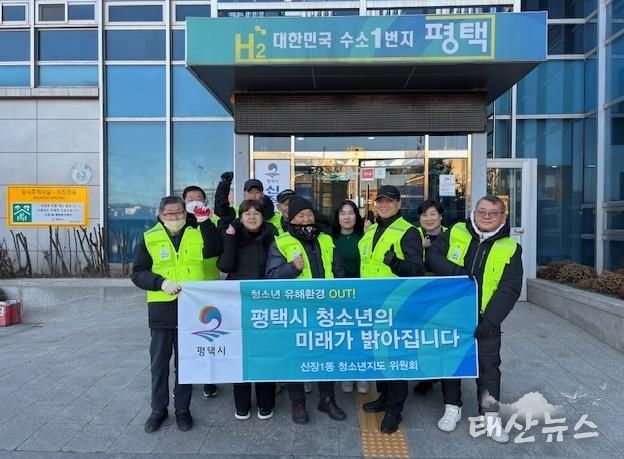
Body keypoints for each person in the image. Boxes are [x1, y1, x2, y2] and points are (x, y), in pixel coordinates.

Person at [427, 195, 523, 443]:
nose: (487, 216)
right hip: (452, 313)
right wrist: (457, 273)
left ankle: (490, 416)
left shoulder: (510, 248)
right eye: (482, 211)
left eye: (493, 213)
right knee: (451, 362)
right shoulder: (456, 231)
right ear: (474, 212)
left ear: (503, 217)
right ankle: (452, 408)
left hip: (485, 319)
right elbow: (434, 257)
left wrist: (490, 321)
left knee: (489, 367)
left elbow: (509, 289)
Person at [131, 196, 222, 433]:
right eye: (169, 214)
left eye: (179, 212)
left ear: (185, 213)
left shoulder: (196, 232)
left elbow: (216, 249)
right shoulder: (150, 237)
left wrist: (205, 223)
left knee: (186, 364)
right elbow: (138, 273)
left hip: (193, 310)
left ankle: (183, 409)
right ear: (161, 215)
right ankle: (158, 410)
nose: (175, 217)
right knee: (159, 364)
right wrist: (160, 282)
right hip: (162, 309)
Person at [266, 196, 347, 424]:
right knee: (296, 355)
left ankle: (327, 398)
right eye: (300, 215)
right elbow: (271, 277)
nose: (306, 219)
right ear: (290, 219)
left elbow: (338, 270)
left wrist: (340, 298)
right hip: (296, 311)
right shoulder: (281, 242)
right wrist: (292, 268)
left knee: (326, 353)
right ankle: (298, 401)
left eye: (309, 214)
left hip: (326, 308)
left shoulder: (326, 239)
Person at [359, 185, 425, 434]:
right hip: (371, 304)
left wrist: (396, 263)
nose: (384, 205)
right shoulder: (371, 231)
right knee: (379, 354)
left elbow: (417, 271)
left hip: (396, 306)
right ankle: (384, 397)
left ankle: (394, 410)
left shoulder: (409, 231)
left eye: (389, 201)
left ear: (399, 204)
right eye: (381, 201)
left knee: (395, 357)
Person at [217, 199, 278, 420]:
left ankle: (266, 402)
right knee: (240, 351)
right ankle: (241, 403)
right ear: (241, 217)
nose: (252, 217)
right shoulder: (232, 235)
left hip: (266, 302)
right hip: (238, 303)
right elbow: (225, 266)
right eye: (247, 213)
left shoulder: (273, 236)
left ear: (263, 217)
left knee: (265, 352)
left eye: (256, 213)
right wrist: (230, 239)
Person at [182, 185, 220, 399]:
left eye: (199, 198)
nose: (194, 201)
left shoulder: (212, 221)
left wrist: (205, 221)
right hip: (185, 290)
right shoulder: (178, 225)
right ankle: (184, 379)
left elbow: (215, 248)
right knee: (186, 337)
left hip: (209, 285)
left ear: (205, 201)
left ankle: (209, 378)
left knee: (209, 334)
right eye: (190, 198)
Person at [331, 199, 369, 395]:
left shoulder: (365, 238)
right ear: (337, 217)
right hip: (337, 294)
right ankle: (347, 372)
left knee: (361, 335)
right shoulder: (329, 239)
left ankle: (362, 374)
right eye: (342, 213)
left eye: (351, 213)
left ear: (357, 216)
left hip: (362, 293)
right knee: (344, 335)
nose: (347, 217)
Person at [413, 199, 447, 396]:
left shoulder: (452, 236)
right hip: (421, 295)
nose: (429, 218)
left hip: (444, 295)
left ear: (441, 216)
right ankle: (426, 377)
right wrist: (420, 248)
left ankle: (444, 375)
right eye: (424, 215)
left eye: (433, 214)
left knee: (441, 336)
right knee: (424, 337)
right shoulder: (414, 235)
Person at [214, 171, 282, 231]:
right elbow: (221, 210)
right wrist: (224, 184)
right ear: (244, 195)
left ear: (262, 194)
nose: (253, 196)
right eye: (250, 192)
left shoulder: (276, 216)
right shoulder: (236, 213)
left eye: (257, 192)